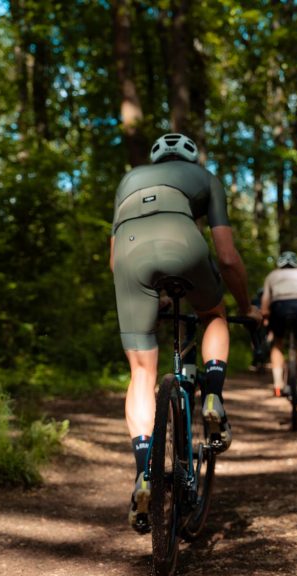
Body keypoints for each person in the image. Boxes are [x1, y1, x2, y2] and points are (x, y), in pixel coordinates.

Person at [110, 132, 261, 533]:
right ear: (191, 159)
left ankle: (145, 471)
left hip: (129, 253)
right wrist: (246, 306)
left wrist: (153, 293)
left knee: (141, 371)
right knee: (213, 314)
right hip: (185, 245)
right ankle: (212, 397)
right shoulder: (205, 178)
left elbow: (113, 262)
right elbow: (227, 257)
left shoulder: (128, 181)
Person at [260, 251, 297, 400]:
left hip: (278, 307)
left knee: (277, 343)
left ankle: (278, 384)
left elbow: (266, 299)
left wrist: (265, 317)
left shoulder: (272, 276)